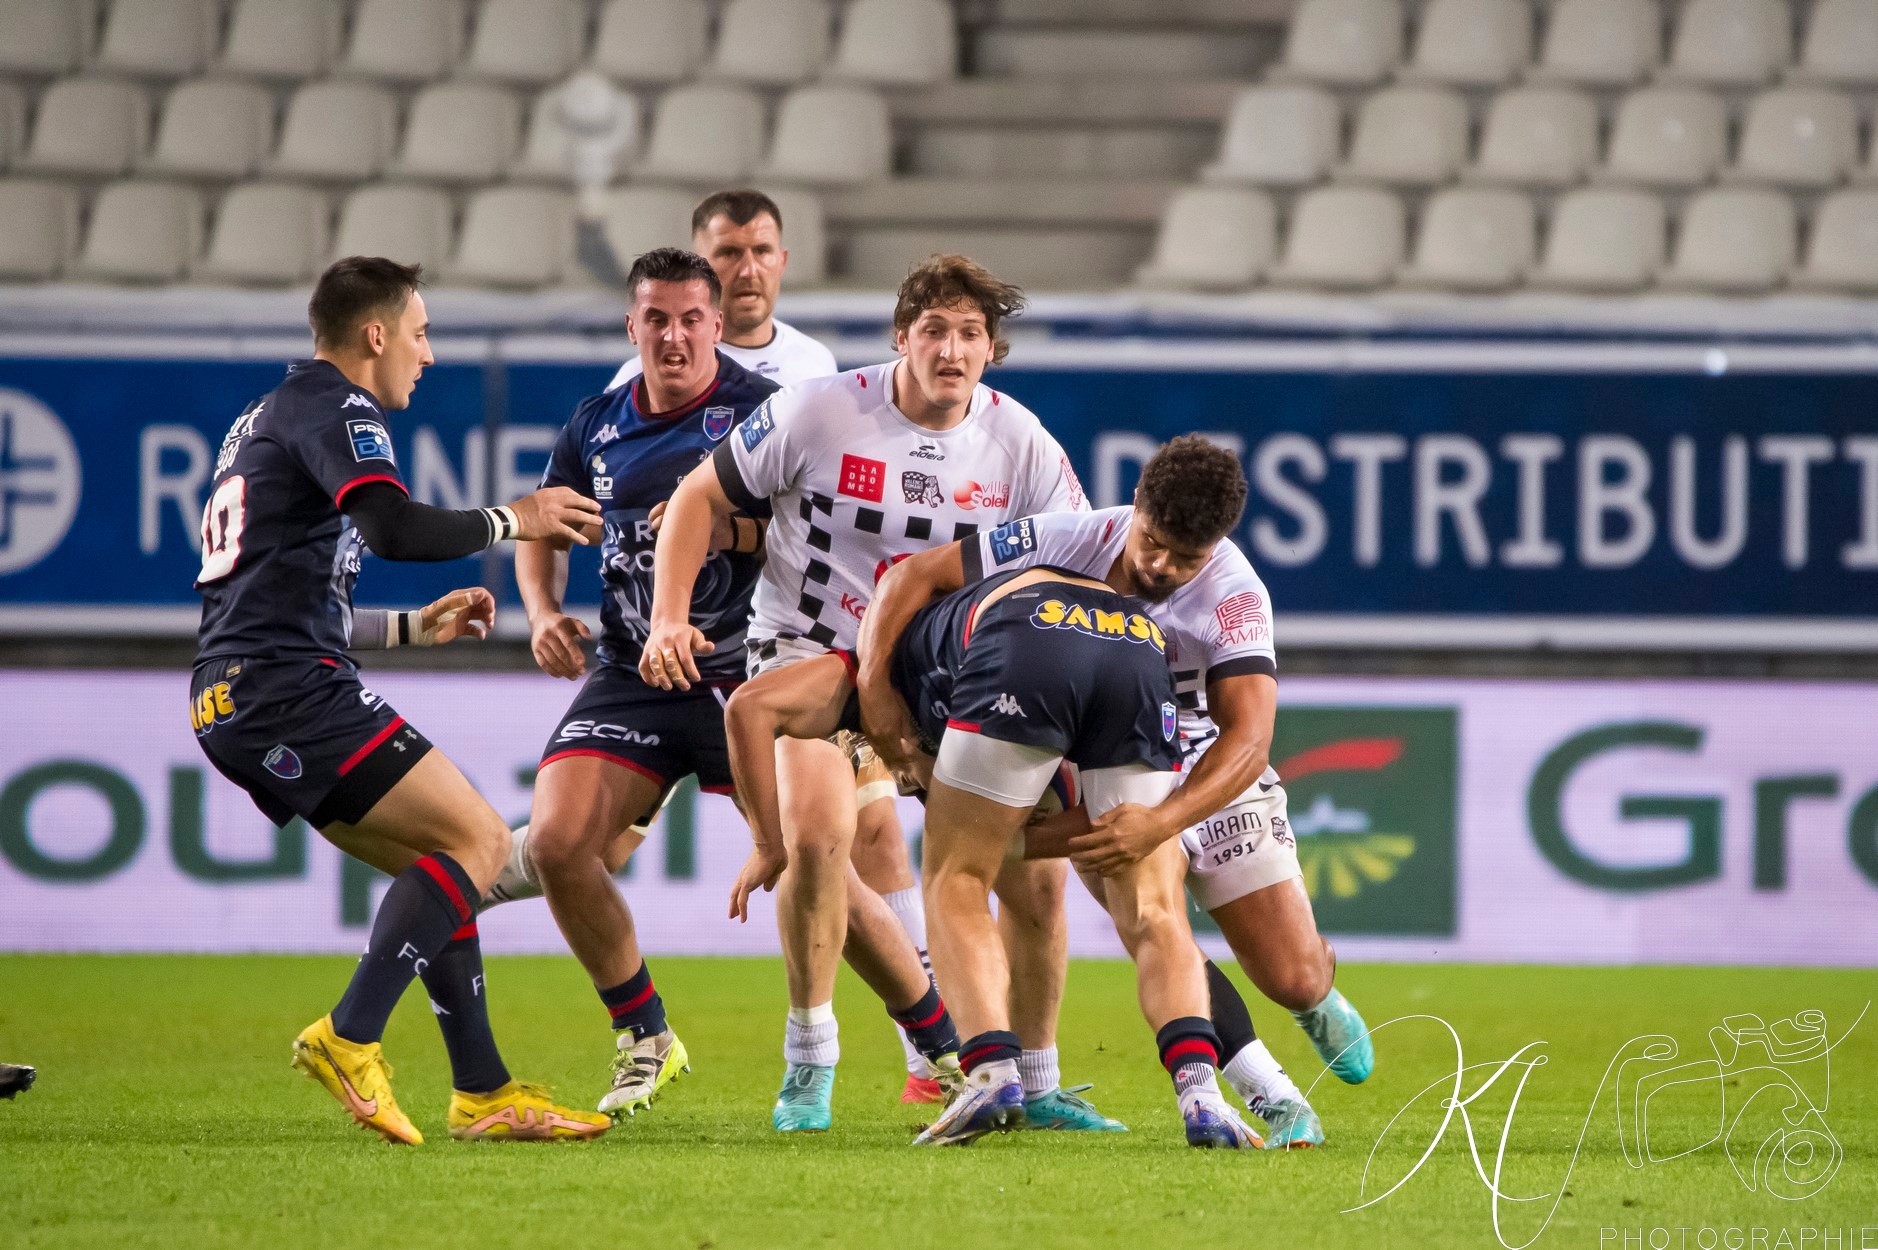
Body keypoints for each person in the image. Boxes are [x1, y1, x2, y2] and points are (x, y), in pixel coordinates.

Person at [643, 255, 1102, 1133]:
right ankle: (809, 1065)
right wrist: (669, 619)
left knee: (1035, 879)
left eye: (970, 334)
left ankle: (1036, 1084)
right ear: (903, 336)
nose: (952, 349)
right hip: (810, 650)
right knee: (818, 840)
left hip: (940, 673)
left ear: (992, 351)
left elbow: (1074, 567)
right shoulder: (822, 410)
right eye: (934, 329)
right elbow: (699, 496)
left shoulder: (1022, 443)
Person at [190, 256, 611, 1145]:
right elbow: (395, 527)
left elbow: (288, 602)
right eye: (420, 333)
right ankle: (349, 1035)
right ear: (374, 335)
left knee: (440, 860)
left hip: (236, 692)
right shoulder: (338, 406)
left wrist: (416, 631)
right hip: (287, 691)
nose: (428, 354)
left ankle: (483, 1091)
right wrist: (515, 518)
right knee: (483, 840)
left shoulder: (259, 421)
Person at [863, 435, 1378, 1148]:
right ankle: (1269, 1095)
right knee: (1151, 913)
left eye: (1185, 559)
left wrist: (1162, 821)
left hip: (1207, 764)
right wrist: (874, 686)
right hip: (1111, 751)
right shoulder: (1070, 534)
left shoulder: (1235, 597)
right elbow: (918, 574)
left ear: (1218, 545)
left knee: (1288, 972)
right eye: (1154, 542)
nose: (1161, 567)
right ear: (1134, 505)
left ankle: (1317, 1001)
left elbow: (1248, 738)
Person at [722, 566, 1266, 1149]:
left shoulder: (850, 680)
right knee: (1153, 906)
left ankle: (989, 1077)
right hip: (1134, 640)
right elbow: (1102, 821)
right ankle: (1202, 1098)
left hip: (1022, 639)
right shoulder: (947, 659)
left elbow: (746, 709)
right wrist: (1136, 826)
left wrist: (766, 844)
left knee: (955, 878)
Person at [604, 190, 836, 391]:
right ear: (698, 267)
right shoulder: (640, 380)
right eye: (729, 253)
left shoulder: (816, 362)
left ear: (782, 262)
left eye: (762, 251)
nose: (749, 271)